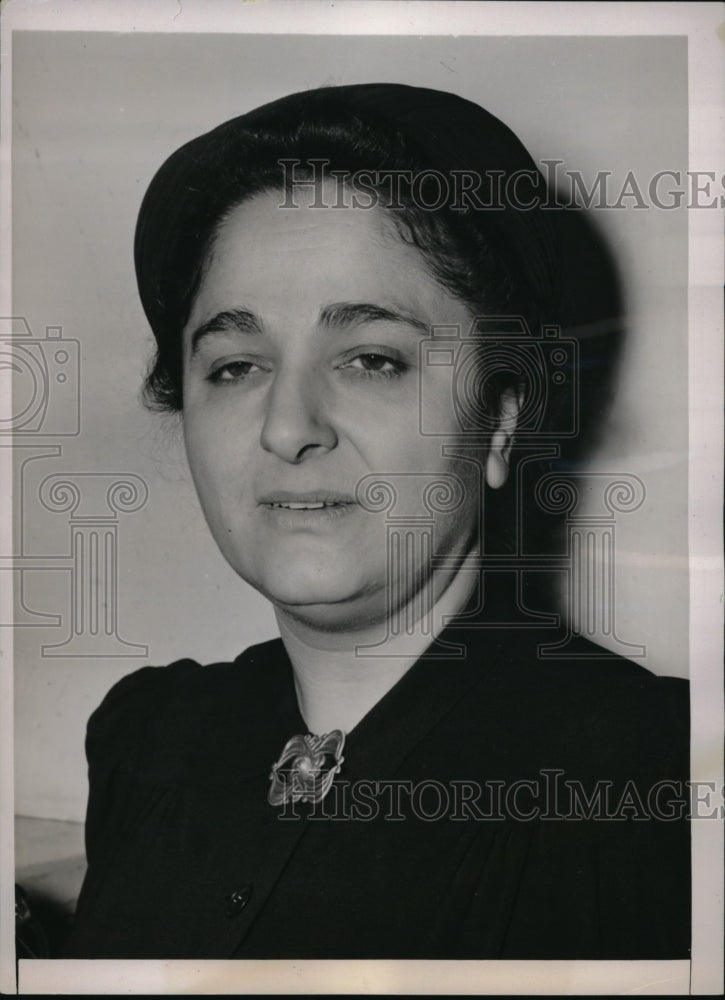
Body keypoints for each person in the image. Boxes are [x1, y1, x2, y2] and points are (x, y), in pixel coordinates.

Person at [64, 84, 689, 959]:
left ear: (502, 417)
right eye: (237, 365)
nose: (288, 427)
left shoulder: (647, 777)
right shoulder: (149, 737)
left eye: (371, 359)